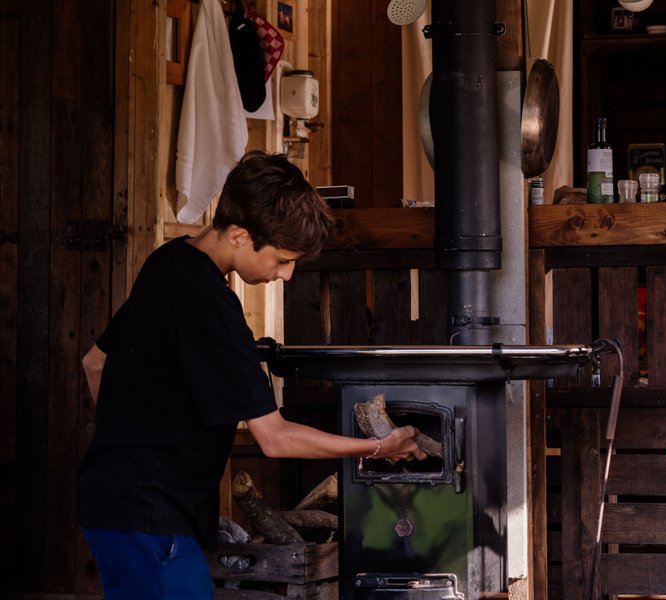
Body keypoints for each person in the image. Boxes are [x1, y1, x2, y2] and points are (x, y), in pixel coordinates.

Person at [76, 151, 425, 600]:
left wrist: (127, 439)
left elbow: (95, 362)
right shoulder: (213, 307)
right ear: (240, 235)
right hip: (153, 520)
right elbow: (275, 438)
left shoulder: (168, 261)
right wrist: (380, 446)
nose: (287, 274)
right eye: (282, 259)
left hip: (114, 504)